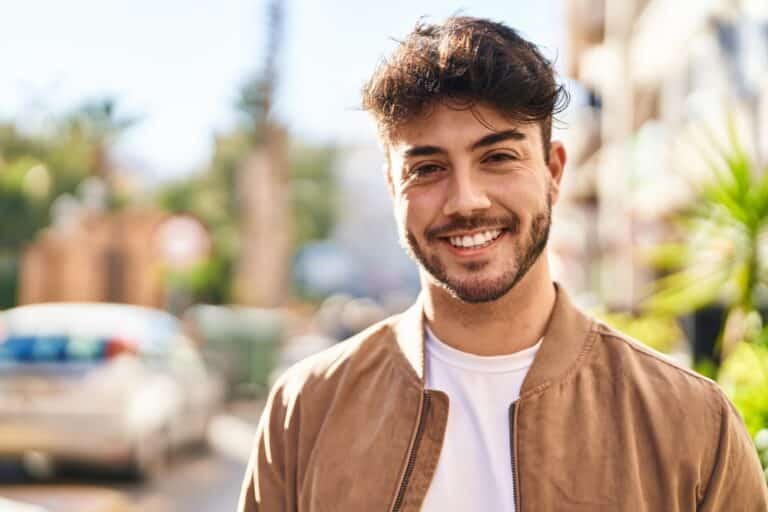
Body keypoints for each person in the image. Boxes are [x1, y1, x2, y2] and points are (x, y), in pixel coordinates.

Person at [238, 16, 768, 511]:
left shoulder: (691, 422)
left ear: (554, 171)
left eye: (497, 157)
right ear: (392, 187)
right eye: (427, 168)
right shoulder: (307, 408)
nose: (466, 201)